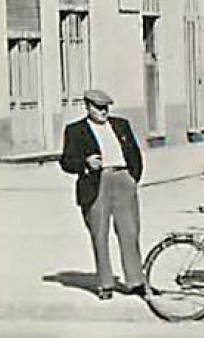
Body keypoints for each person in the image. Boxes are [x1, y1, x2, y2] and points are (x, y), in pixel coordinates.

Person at [58, 89, 144, 300]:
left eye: (106, 107)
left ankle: (136, 281)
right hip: (96, 182)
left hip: (123, 179)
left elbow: (134, 151)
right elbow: (66, 162)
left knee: (130, 232)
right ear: (87, 107)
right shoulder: (76, 130)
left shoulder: (120, 124)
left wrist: (133, 177)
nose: (103, 112)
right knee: (100, 233)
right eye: (98, 108)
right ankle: (105, 283)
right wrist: (85, 164)